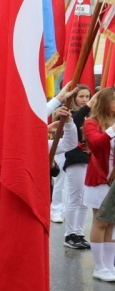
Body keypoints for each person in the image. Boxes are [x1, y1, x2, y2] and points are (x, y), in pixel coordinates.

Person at [82, 87, 115, 281]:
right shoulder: (91, 122)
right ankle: (99, 267)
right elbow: (96, 143)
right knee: (100, 221)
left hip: (113, 180)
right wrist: (112, 129)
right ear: (105, 102)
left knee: (112, 222)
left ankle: (110, 266)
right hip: (100, 179)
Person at [58, 84, 92, 251]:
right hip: (75, 159)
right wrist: (89, 106)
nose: (85, 100)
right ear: (74, 99)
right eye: (81, 97)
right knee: (75, 197)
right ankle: (69, 234)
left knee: (85, 200)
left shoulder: (92, 116)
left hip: (90, 160)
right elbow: (76, 121)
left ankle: (79, 233)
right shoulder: (69, 115)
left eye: (87, 97)